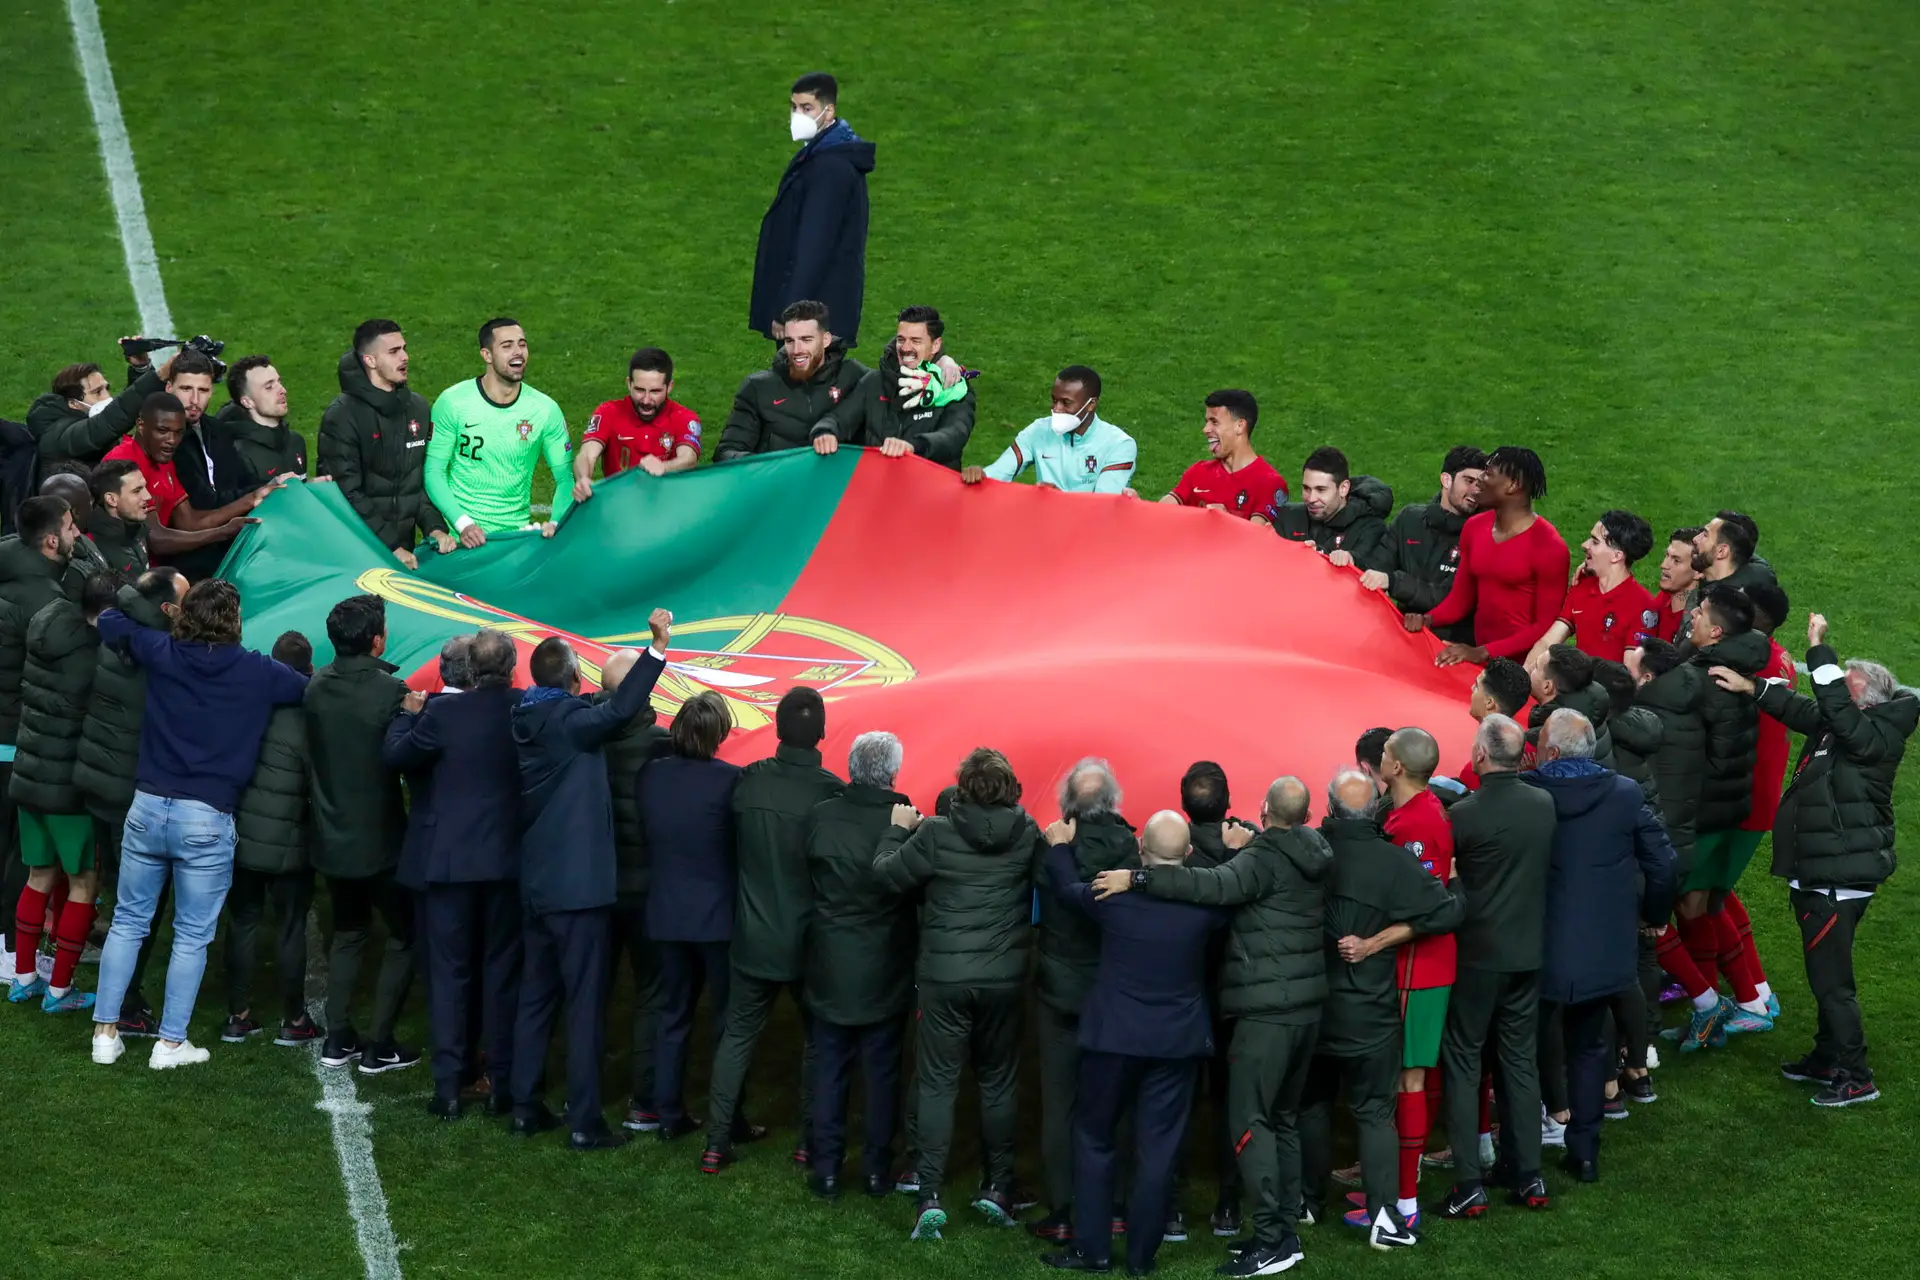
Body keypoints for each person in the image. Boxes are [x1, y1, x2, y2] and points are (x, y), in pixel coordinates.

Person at [1094, 776, 1333, 1279]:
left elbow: (1210, 886)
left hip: (1267, 1012)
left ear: (1264, 810)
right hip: (1307, 1009)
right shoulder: (1314, 848)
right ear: (1307, 815)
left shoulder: (1262, 858)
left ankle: (1272, 1239)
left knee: (1249, 1121)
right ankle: (1284, 1229)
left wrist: (1137, 879)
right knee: (1282, 1118)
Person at [88, 579, 310, 1069]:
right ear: (234, 621)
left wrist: (154, 611)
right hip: (206, 818)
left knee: (127, 921)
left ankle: (105, 1034)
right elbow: (307, 688)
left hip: (147, 809)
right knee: (191, 934)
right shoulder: (257, 671)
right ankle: (170, 1043)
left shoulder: (162, 651)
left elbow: (109, 620)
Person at [1713, 613, 1917, 1107]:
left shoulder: (1871, 737)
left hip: (1837, 880)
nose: (1833, 693)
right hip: (1827, 872)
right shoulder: (1843, 726)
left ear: (1862, 701)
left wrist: (1819, 648)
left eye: (1846, 686)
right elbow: (1802, 708)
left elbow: (1830, 708)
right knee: (1825, 974)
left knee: (1832, 984)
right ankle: (1828, 1058)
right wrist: (1751, 687)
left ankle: (1857, 1074)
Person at [1036, 810, 1225, 1276]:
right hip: (1176, 1043)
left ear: (1141, 849)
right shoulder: (1206, 907)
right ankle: (1141, 1259)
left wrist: (1060, 846)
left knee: (1095, 1138)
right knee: (1158, 1152)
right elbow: (1230, 886)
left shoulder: (1113, 897)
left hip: (1114, 1038)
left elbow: (1066, 889)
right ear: (1187, 855)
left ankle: (1093, 1250)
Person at [509, 617, 669, 1148]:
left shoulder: (524, 715)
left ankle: (525, 1105)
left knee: (535, 998)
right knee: (583, 1006)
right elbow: (622, 709)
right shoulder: (571, 721)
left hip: (535, 883)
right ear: (576, 680)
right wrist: (656, 650)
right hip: (577, 891)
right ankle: (584, 1122)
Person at [873, 747, 1044, 1242]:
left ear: (964, 787)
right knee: (998, 1082)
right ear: (1009, 787)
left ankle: (928, 1193)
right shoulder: (1028, 834)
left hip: (945, 979)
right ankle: (998, 1187)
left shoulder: (934, 833)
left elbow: (885, 874)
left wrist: (895, 830)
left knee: (937, 1083)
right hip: (1004, 979)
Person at [1301, 769, 1462, 1252]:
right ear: (1376, 810)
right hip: (1370, 1010)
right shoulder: (1392, 862)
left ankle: (1308, 1202)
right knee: (1374, 1112)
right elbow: (1447, 911)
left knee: (1311, 1106)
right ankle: (1382, 1215)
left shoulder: (1307, 854)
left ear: (1329, 809)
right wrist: (1379, 942)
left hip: (1313, 1005)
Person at [1523, 710, 1677, 1182]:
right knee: (1590, 1047)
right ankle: (1584, 1152)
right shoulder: (1625, 795)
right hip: (1603, 950)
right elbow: (1664, 864)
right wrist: (1654, 916)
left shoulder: (1528, 795)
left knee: (1523, 1048)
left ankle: (1524, 1155)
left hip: (1537, 949)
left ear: (1549, 752)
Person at [383, 628, 525, 1118]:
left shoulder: (440, 715)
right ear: (509, 667)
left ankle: (449, 1088)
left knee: (449, 977)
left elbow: (397, 756)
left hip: (446, 867)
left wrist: (405, 715)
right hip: (506, 863)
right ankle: (501, 1084)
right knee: (502, 975)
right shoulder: (523, 707)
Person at [702, 688, 843, 1174]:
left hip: (754, 938)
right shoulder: (832, 793)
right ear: (821, 732)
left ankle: (716, 1142)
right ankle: (810, 1141)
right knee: (819, 1042)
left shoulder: (749, 782)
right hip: (809, 942)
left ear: (777, 729)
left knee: (737, 1036)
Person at [1435, 714, 1556, 1219]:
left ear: (1480, 757)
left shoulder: (1463, 815)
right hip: (1527, 954)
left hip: (1476, 959)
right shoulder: (1543, 804)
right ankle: (1528, 1174)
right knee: (1519, 1061)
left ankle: (1468, 1183)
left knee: (1463, 1062)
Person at [71, 567, 187, 1038]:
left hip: (98, 780)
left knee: (122, 896)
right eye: (183, 598)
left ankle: (117, 997)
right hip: (126, 792)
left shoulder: (117, 626)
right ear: (165, 608)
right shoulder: (155, 649)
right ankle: (124, 1004)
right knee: (140, 906)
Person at [804, 731, 916, 1198]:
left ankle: (826, 1169)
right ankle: (875, 1170)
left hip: (830, 962)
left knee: (828, 1070)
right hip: (883, 966)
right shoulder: (905, 824)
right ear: (891, 773)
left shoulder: (822, 816)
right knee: (883, 1072)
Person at [1032, 760, 1141, 1241]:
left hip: (1058, 992)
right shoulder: (1132, 851)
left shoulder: (1051, 848)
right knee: (1112, 1103)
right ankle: (1114, 1205)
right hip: (1111, 997)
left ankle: (1061, 1210)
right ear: (1113, 802)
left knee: (1060, 1105)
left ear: (1067, 807)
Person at [1671, 584, 1770, 1051]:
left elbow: (1705, 756)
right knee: (1703, 904)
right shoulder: (1730, 667)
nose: (1691, 617)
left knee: (1686, 906)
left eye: (1700, 613)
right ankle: (1723, 1003)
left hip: (1707, 813)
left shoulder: (1709, 677)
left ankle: (1712, 1004)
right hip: (1723, 808)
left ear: (1715, 631)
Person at [7, 570, 112, 1012]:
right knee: (84, 884)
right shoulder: (94, 658)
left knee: (38, 876)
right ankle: (59, 990)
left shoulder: (46, 631)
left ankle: (24, 977)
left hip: (29, 776)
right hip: (68, 788)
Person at [640, 689, 741, 1143]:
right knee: (726, 1021)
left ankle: (667, 1113)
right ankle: (727, 1119)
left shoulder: (652, 776)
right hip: (716, 918)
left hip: (665, 912)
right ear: (718, 734)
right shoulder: (730, 781)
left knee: (673, 1013)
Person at [1374, 729, 1457, 1229]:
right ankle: (1397, 1182)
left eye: (1385, 754)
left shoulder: (1417, 825)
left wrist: (1372, 944)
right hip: (1419, 966)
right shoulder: (1411, 811)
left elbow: (1425, 906)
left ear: (1399, 767)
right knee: (1408, 1076)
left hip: (1416, 969)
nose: (1380, 759)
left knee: (1408, 1077)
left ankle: (1403, 1202)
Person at [223, 631, 316, 1045]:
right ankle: (294, 1019)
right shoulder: (309, 719)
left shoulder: (245, 706)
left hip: (242, 835)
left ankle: (237, 1015)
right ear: (308, 670)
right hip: (292, 839)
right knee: (291, 927)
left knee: (242, 921)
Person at [598, 648, 674, 1132]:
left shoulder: (586, 739)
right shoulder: (663, 746)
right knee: (652, 993)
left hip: (598, 887)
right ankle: (645, 1101)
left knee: (591, 991)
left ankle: (582, 1091)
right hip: (647, 889)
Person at [1178, 761, 1254, 1237]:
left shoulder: (1168, 851)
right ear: (1227, 805)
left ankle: (1172, 1205)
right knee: (1232, 1100)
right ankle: (1228, 1203)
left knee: (1176, 1101)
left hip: (1185, 996)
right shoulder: (1250, 851)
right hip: (1231, 996)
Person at [1410, 446, 1568, 667]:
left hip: (1524, 671)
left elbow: (1545, 626)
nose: (1480, 480)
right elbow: (1460, 600)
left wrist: (1483, 652)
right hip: (1481, 661)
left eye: (1488, 475)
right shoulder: (1474, 528)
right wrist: (1428, 619)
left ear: (1513, 485)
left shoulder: (1549, 546)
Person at [750, 72, 876, 347]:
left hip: (813, 322)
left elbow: (813, 247)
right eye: (794, 108)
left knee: (805, 389)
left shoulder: (830, 168)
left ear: (828, 111)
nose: (798, 116)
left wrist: (789, 313)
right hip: (818, 316)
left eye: (807, 109)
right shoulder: (826, 155)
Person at [319, 319, 455, 569]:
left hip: (403, 553)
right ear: (370, 360)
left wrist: (434, 528)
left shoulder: (417, 408)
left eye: (404, 348)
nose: (405, 357)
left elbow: (417, 482)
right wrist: (391, 546)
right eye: (394, 352)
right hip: (355, 554)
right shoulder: (342, 416)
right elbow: (346, 493)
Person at [427, 318, 574, 545]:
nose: (518, 353)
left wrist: (555, 523)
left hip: (514, 538)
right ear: (486, 355)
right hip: (458, 540)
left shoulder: (545, 410)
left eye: (522, 344)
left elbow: (565, 479)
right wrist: (463, 524)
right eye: (507, 346)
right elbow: (433, 471)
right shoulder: (453, 402)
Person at [101, 394, 263, 574]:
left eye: (179, 432)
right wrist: (223, 532)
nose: (172, 440)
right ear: (141, 426)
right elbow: (156, 539)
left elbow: (190, 522)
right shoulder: (125, 462)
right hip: (125, 571)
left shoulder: (164, 462)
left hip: (154, 567)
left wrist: (251, 499)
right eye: (163, 431)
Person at [807, 306, 975, 469]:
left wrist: (914, 446)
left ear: (936, 345)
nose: (906, 348)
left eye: (916, 341)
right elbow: (839, 418)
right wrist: (825, 432)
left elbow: (955, 435)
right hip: (880, 486)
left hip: (931, 488)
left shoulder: (953, 387)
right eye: (901, 340)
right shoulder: (875, 382)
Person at [1358, 446, 1488, 641]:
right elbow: (1376, 567)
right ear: (1446, 479)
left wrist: (1394, 582)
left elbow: (1453, 599)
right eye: (1469, 481)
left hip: (1451, 646)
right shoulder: (1409, 519)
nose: (1476, 491)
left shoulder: (1484, 535)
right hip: (1402, 635)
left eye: (1480, 484)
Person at [715, 301, 871, 461]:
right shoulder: (758, 388)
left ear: (826, 340)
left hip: (840, 483)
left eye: (806, 339)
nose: (797, 350)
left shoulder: (855, 377)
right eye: (790, 341)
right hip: (779, 483)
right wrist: (770, 467)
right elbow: (727, 452)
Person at [963, 366, 1137, 495]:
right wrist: (981, 474)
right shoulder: (1038, 431)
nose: (1057, 409)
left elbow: (1104, 504)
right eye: (1054, 400)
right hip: (1047, 530)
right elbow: (1000, 471)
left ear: (1091, 404)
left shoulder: (1119, 445)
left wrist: (1059, 499)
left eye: (1066, 402)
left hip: (1093, 538)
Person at [1526, 510, 1658, 665]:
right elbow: (1547, 643)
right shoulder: (1582, 587)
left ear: (1617, 556)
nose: (1585, 545)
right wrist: (1524, 676)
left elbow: (1632, 674)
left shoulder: (1642, 606)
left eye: (1595, 542)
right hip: (1579, 685)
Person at [178, 355, 309, 511]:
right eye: (269, 387)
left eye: (279, 382)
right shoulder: (235, 450)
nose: (282, 390)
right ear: (247, 402)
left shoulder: (296, 441)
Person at [572, 348, 703, 504]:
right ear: (629, 384)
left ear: (670, 387)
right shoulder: (608, 412)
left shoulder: (684, 418)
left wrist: (664, 467)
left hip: (668, 509)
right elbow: (586, 454)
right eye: (640, 390)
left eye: (655, 391)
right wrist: (583, 478)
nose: (646, 400)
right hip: (618, 507)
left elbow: (688, 459)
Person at [1254, 447, 1393, 570]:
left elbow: (1370, 572)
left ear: (1343, 488)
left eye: (1321, 490)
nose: (1311, 498)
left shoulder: (1370, 529)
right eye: (1306, 488)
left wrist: (1319, 556)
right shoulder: (1288, 517)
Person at [1160, 390, 1288, 519]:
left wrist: (1226, 521)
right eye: (1207, 422)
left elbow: (1257, 535)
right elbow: (1160, 512)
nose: (1205, 429)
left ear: (1239, 426)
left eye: (1214, 422)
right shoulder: (1198, 472)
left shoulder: (1269, 483)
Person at [29, 355, 150, 475]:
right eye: (97, 392)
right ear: (73, 403)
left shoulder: (84, 419)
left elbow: (124, 404)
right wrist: (157, 377)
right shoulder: (61, 434)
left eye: (106, 389)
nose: (107, 397)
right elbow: (113, 418)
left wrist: (140, 369)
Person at [1678, 511, 1775, 646]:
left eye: (1705, 535)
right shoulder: (1710, 583)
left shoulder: (1727, 612)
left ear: (1721, 552)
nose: (1695, 539)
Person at [1526, 646, 1615, 768]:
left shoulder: (1545, 735)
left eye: (1536, 666)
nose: (1530, 668)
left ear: (1547, 686)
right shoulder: (1591, 708)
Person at [1454, 657, 1533, 790]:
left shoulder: (1476, 771)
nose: (1472, 688)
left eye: (1477, 686)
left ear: (1489, 702)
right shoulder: (1533, 752)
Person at [85, 460, 154, 586]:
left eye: (145, 487)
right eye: (137, 491)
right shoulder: (94, 547)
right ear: (111, 499)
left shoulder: (138, 529)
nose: (148, 496)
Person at [1651, 527, 1703, 643]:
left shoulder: (1698, 623)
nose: (1664, 565)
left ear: (1698, 572)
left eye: (1676, 561)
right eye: (1667, 555)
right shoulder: (1661, 600)